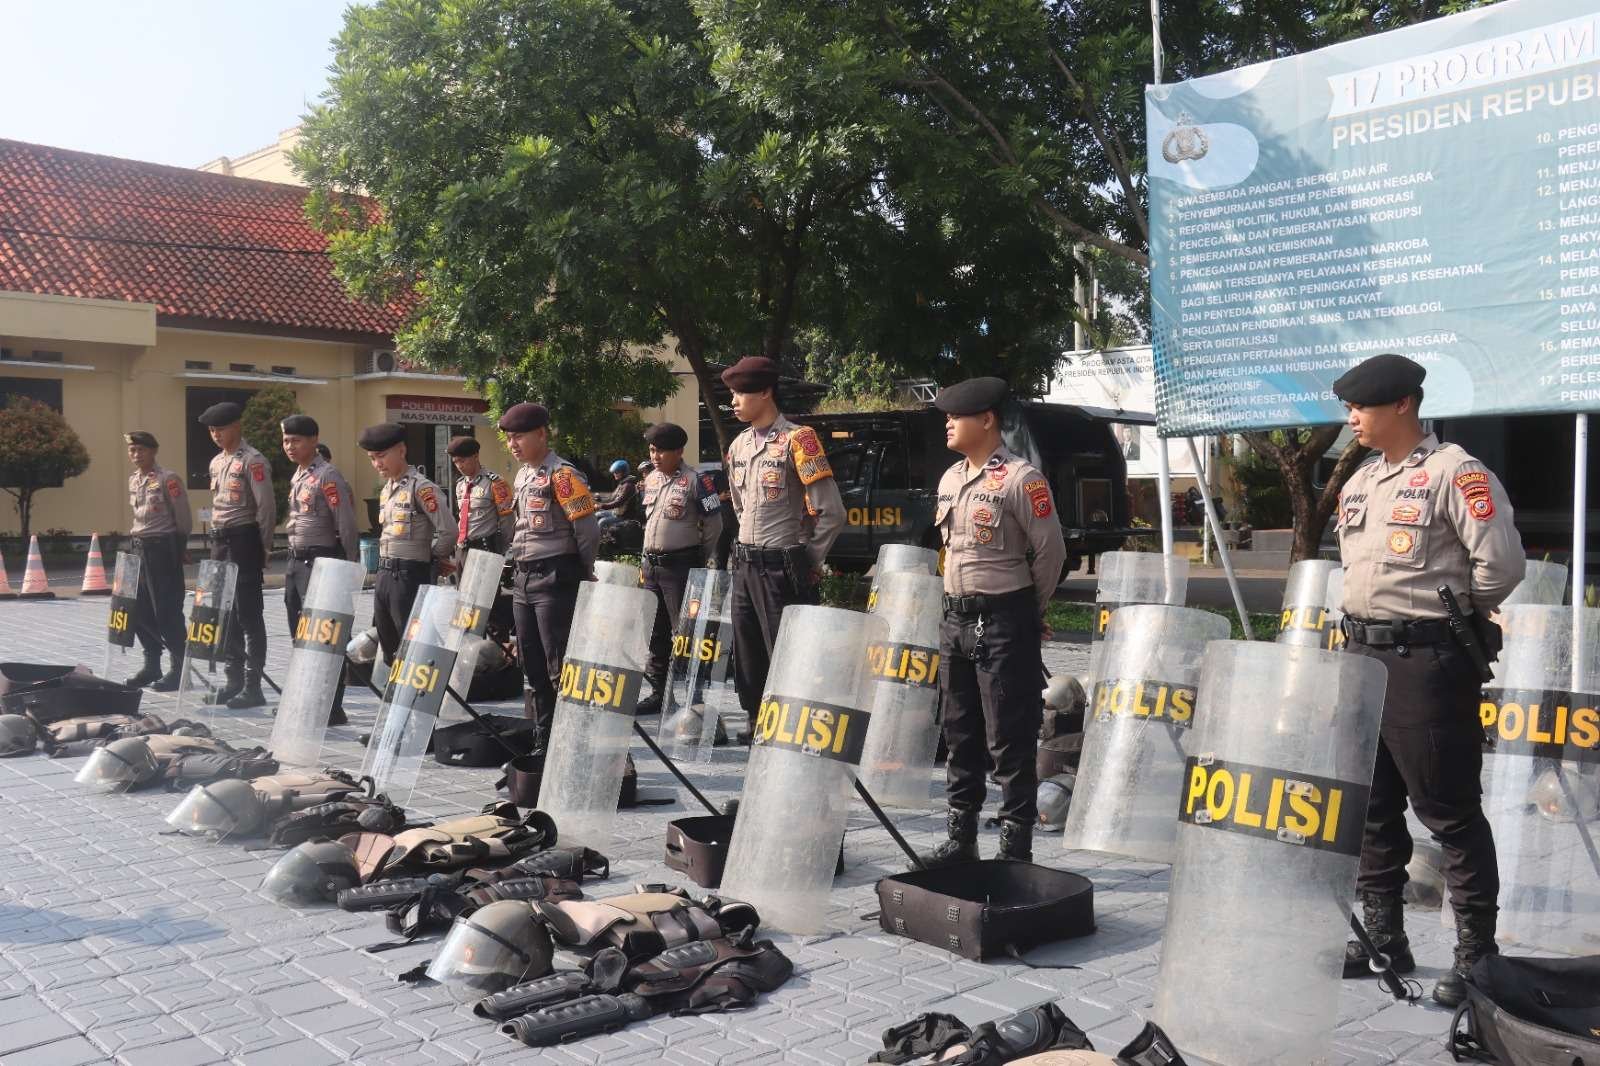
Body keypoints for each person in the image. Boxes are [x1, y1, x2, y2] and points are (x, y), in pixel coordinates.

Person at [1332, 352, 1525, 1007]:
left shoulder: (1454, 472)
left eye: (1361, 406)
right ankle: (1385, 938)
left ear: (1403, 405)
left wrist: (1456, 614)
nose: (1352, 418)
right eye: (1349, 408)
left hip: (1425, 662)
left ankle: (1477, 958)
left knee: (1448, 812)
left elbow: (1501, 565)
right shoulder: (1362, 479)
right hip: (1363, 657)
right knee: (1374, 807)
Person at [920, 377, 1065, 866]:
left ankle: (1014, 849)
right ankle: (961, 839)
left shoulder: (1022, 479)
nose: (948, 423)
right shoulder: (950, 479)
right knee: (959, 733)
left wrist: (1029, 612)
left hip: (1003, 620)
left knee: (1009, 736)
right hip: (954, 621)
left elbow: (1050, 553)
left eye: (956, 416)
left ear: (986, 420)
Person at [721, 356, 845, 734]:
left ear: (765, 392)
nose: (733, 401)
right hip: (745, 564)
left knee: (789, 653)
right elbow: (740, 506)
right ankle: (757, 721)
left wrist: (809, 559)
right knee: (747, 651)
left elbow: (831, 512)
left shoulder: (798, 440)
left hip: (781, 565)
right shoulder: (739, 446)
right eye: (731, 393)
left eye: (741, 392)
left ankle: (792, 727)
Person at [500, 402, 600, 747]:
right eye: (509, 438)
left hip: (555, 576)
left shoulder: (563, 475)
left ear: (542, 434)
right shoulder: (524, 475)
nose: (513, 444)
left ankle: (577, 741)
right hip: (524, 578)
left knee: (561, 665)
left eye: (519, 437)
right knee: (532, 664)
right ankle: (545, 737)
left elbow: (587, 530)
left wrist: (583, 570)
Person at [635, 422, 724, 714]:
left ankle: (694, 698)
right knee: (655, 632)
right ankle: (659, 694)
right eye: (652, 450)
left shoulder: (698, 480)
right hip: (652, 567)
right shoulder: (651, 479)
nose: (655, 456)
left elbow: (714, 525)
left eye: (661, 451)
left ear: (679, 451)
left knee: (686, 633)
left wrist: (699, 556)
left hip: (681, 567)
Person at [281, 415, 360, 725]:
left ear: (313, 441)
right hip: (296, 562)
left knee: (327, 636)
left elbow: (346, 523)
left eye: (296, 440)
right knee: (301, 635)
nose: (290, 446)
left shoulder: (328, 476)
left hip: (321, 563)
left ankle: (331, 706)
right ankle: (308, 698)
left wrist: (349, 566)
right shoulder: (300, 475)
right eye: (286, 441)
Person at [199, 402, 276, 709]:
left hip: (244, 541)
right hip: (219, 542)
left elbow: (266, 508)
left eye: (221, 429)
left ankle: (252, 685)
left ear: (236, 426)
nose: (216, 435)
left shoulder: (252, 460)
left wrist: (264, 548)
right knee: (225, 614)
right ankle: (233, 682)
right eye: (211, 430)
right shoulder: (217, 462)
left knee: (248, 616)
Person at [362, 422, 457, 663]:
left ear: (402, 451)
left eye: (381, 456)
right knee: (389, 647)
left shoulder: (421, 487)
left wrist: (431, 558)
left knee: (414, 648)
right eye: (372, 458)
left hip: (409, 576)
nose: (377, 463)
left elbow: (449, 531)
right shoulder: (387, 490)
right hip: (384, 574)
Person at [123, 431, 190, 691]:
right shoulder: (134, 480)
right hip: (138, 549)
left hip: (162, 549)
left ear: (153, 451)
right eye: (132, 450)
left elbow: (183, 518)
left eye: (141, 449)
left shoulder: (168, 479)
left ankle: (179, 668)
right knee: (139, 610)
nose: (136, 454)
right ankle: (152, 665)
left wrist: (180, 548)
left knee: (167, 611)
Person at [448, 435, 515, 563]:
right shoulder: (460, 485)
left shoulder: (496, 483)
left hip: (484, 549)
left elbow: (507, 522)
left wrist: (503, 552)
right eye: (455, 462)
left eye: (462, 461)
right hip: (461, 549)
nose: (459, 466)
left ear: (476, 456)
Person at [596, 459, 644, 525]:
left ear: (623, 472)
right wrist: (600, 499)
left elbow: (618, 503)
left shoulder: (628, 486)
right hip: (617, 513)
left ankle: (599, 532)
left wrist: (602, 506)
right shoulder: (622, 483)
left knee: (602, 522)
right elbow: (612, 497)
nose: (614, 474)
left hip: (625, 516)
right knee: (597, 515)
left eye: (616, 472)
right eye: (614, 472)